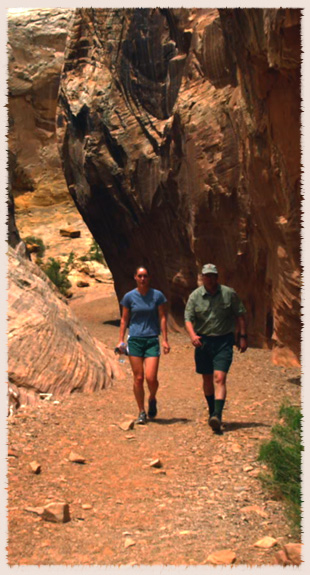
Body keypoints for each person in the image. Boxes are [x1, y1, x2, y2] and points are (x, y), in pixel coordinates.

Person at [184, 263, 247, 432]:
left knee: (220, 378)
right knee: (207, 379)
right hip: (203, 342)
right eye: (207, 276)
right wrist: (192, 336)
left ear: (217, 277)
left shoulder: (229, 294)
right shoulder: (195, 296)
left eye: (212, 276)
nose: (210, 279)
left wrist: (242, 337)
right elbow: (188, 318)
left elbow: (240, 315)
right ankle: (212, 410)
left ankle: (217, 415)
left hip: (224, 341)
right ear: (202, 277)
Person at [116, 266, 170, 424]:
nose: (142, 279)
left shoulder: (157, 296)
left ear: (149, 277)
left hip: (152, 339)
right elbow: (124, 319)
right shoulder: (129, 297)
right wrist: (121, 340)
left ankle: (152, 397)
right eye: (139, 276)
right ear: (135, 277)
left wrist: (165, 340)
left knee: (151, 378)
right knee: (138, 378)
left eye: (145, 276)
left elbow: (162, 317)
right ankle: (141, 411)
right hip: (135, 340)